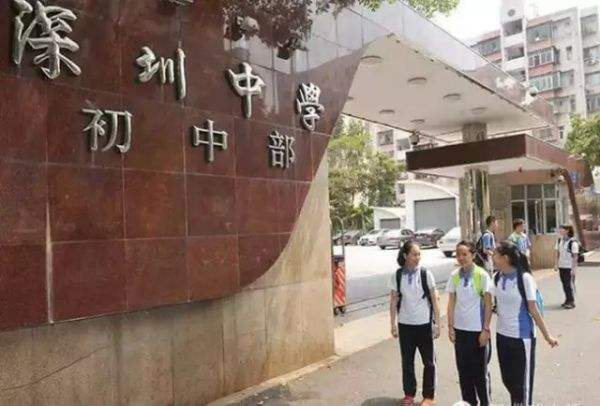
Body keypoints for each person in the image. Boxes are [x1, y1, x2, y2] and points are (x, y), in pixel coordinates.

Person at [492, 241, 558, 406]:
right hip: (502, 336)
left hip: (522, 338)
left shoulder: (525, 279)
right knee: (508, 379)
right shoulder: (497, 277)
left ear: (505, 258)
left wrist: (547, 336)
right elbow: (487, 302)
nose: (492, 258)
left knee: (523, 385)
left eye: (495, 255)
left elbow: (533, 310)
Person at [389, 241, 442, 406]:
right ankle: (409, 394)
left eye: (419, 254)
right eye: (414, 254)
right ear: (405, 255)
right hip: (405, 325)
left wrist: (438, 324)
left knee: (429, 362)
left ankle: (429, 396)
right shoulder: (397, 275)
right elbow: (393, 300)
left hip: (424, 324)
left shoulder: (426, 274)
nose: (418, 257)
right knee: (407, 362)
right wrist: (393, 324)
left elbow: (434, 299)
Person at [447, 241, 493, 406]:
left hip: (477, 332)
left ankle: (485, 402)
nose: (461, 257)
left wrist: (485, 329)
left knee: (479, 373)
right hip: (460, 332)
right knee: (464, 372)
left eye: (464, 254)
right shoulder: (454, 276)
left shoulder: (482, 275)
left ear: (473, 255)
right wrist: (450, 327)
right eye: (458, 254)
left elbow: (488, 304)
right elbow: (451, 303)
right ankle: (469, 403)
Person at [555, 225, 578, 309]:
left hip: (569, 267)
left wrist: (573, 269)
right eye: (560, 229)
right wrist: (556, 264)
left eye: (562, 229)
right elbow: (557, 253)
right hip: (561, 266)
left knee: (568, 284)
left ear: (567, 230)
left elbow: (575, 256)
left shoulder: (573, 242)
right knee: (564, 284)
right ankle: (567, 300)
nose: (560, 230)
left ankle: (571, 302)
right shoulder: (559, 241)